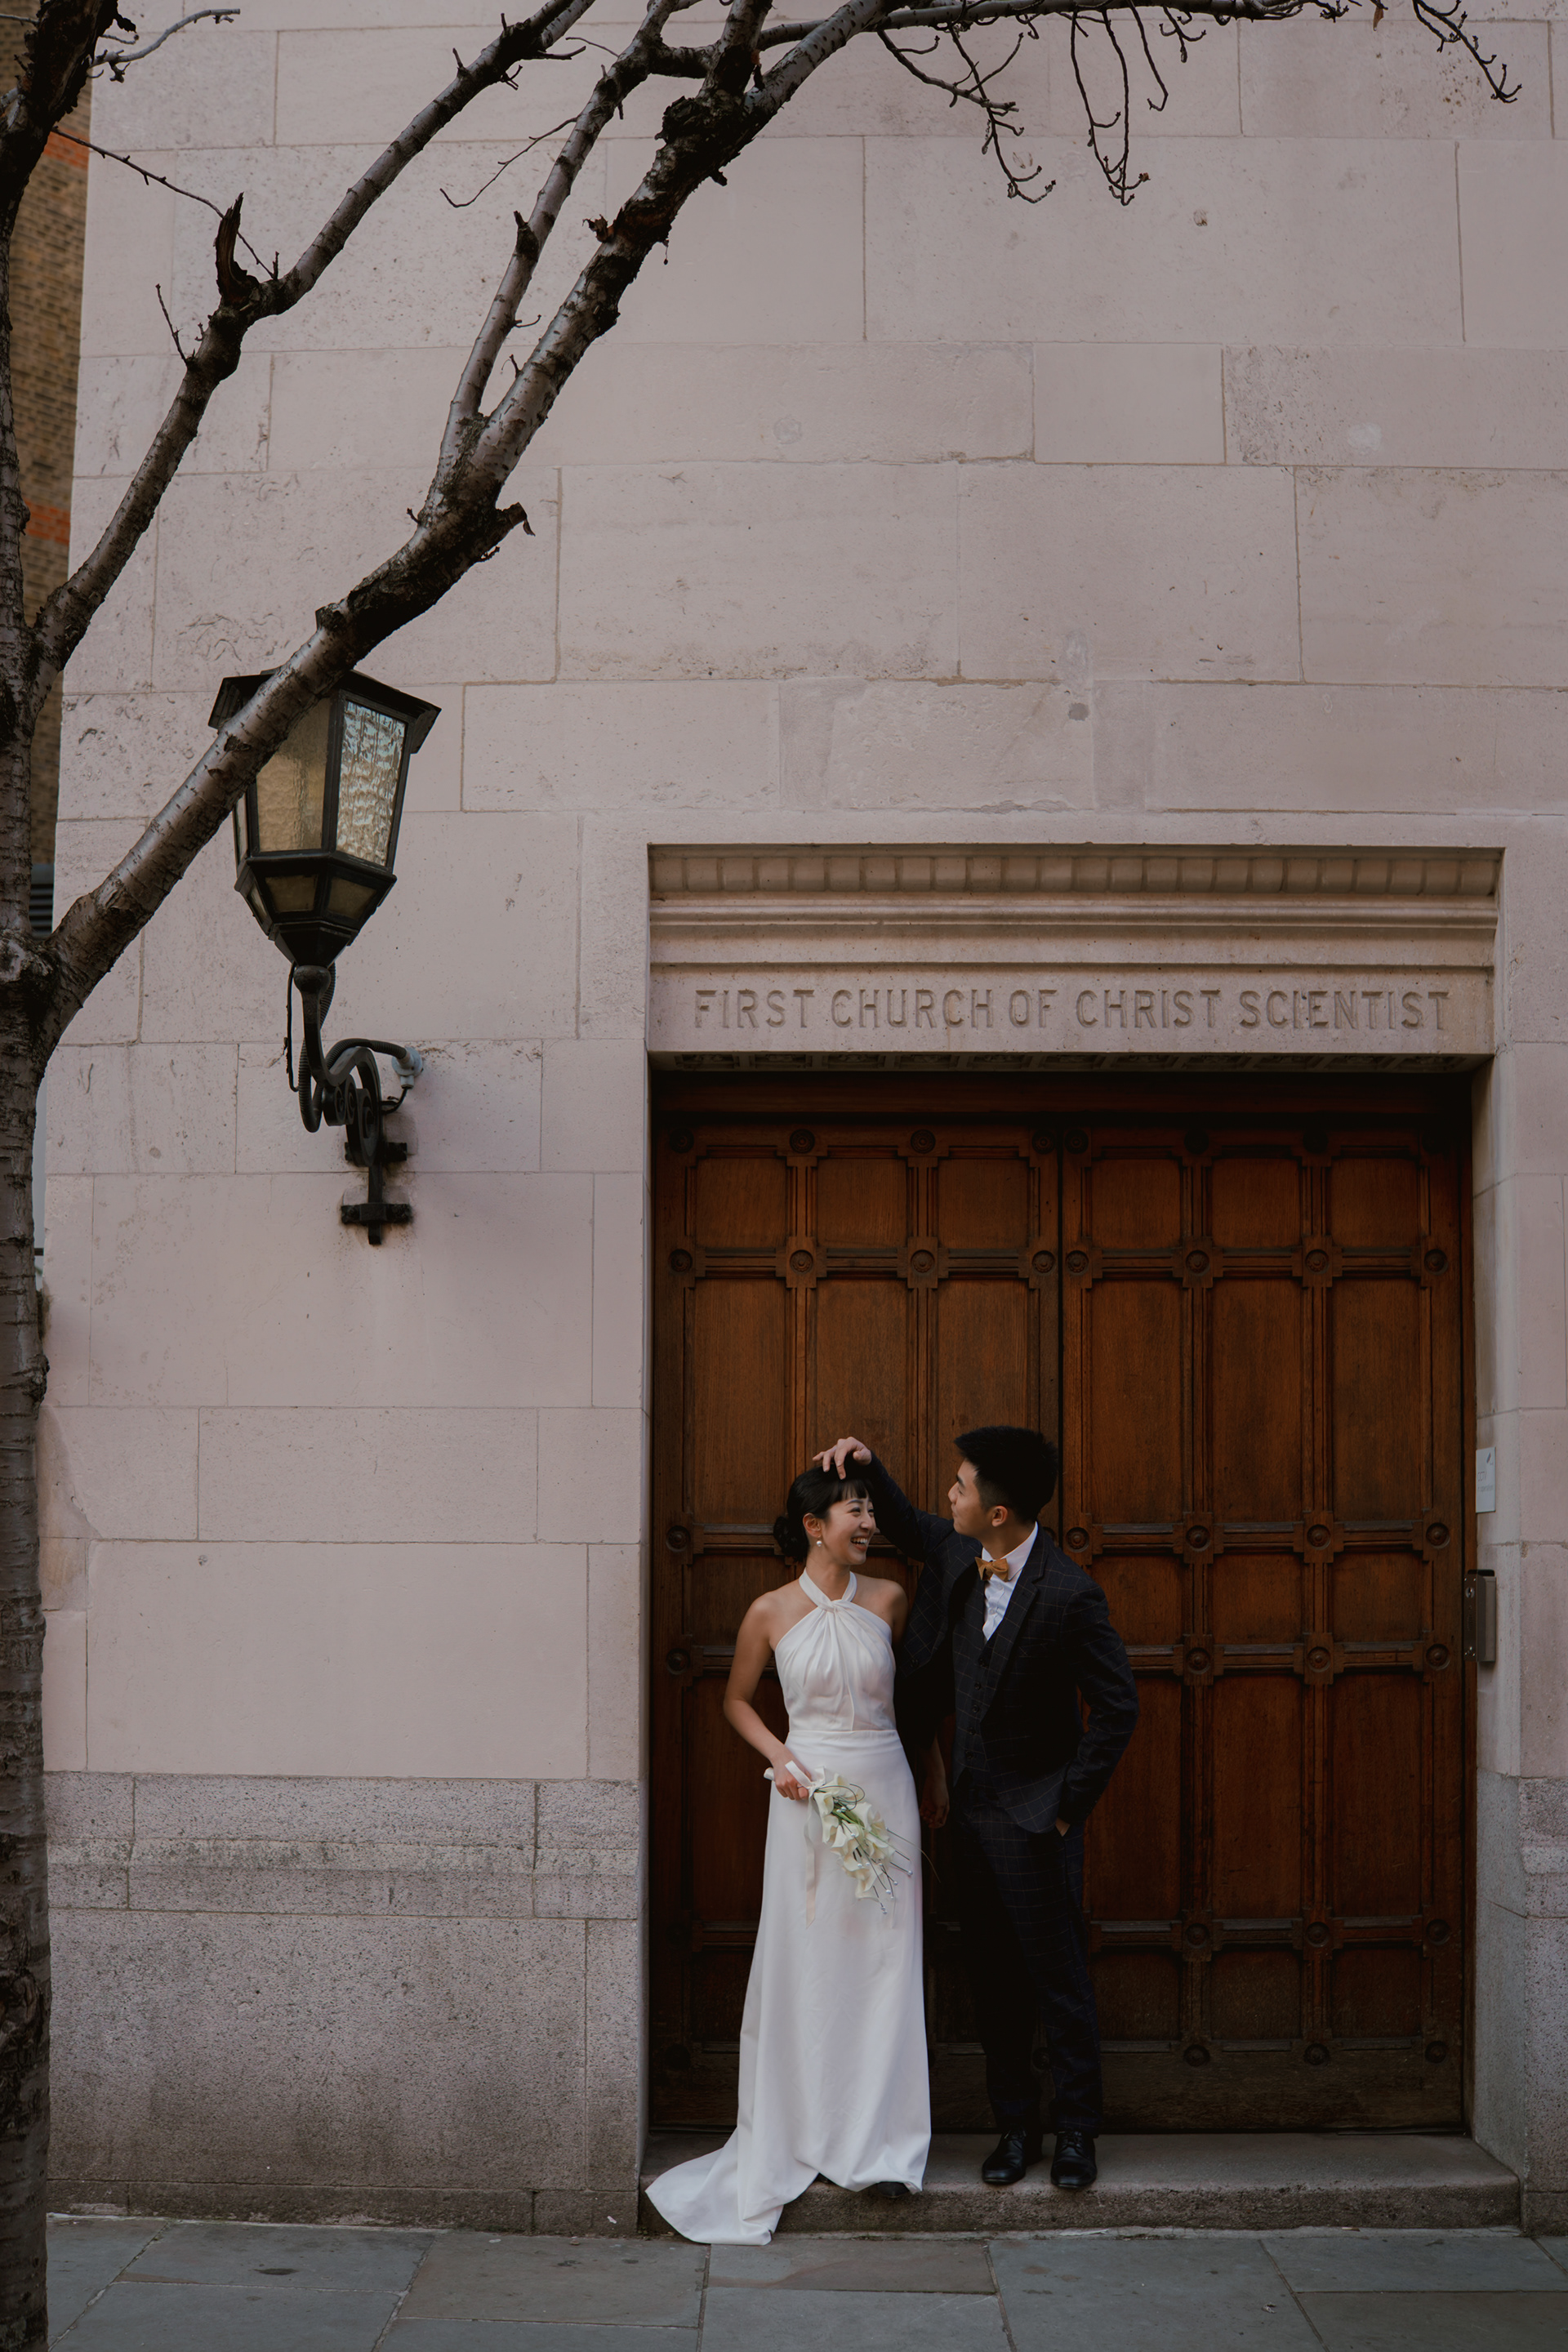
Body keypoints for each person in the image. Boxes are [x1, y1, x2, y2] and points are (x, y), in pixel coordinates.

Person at [813, 1426, 1138, 2193]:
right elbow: (904, 1522)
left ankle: (1077, 2131)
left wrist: (1066, 1806)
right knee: (993, 1979)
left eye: (960, 1487)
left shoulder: (1070, 1593)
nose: (950, 1496)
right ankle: (1015, 2126)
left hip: (1037, 1822)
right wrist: (866, 1465)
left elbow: (1118, 1707)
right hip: (968, 1812)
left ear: (997, 1512)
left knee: (1058, 1979)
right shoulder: (959, 1550)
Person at [645, 1463, 937, 2244]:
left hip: (886, 1783)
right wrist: (780, 1757)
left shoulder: (891, 1599)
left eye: (870, 1510)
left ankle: (879, 2140)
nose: (868, 1522)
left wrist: (935, 1775)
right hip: (807, 1794)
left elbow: (911, 1703)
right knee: (809, 1955)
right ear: (814, 1526)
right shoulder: (769, 1611)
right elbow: (736, 1699)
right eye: (854, 1510)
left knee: (885, 1959)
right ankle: (803, 2125)